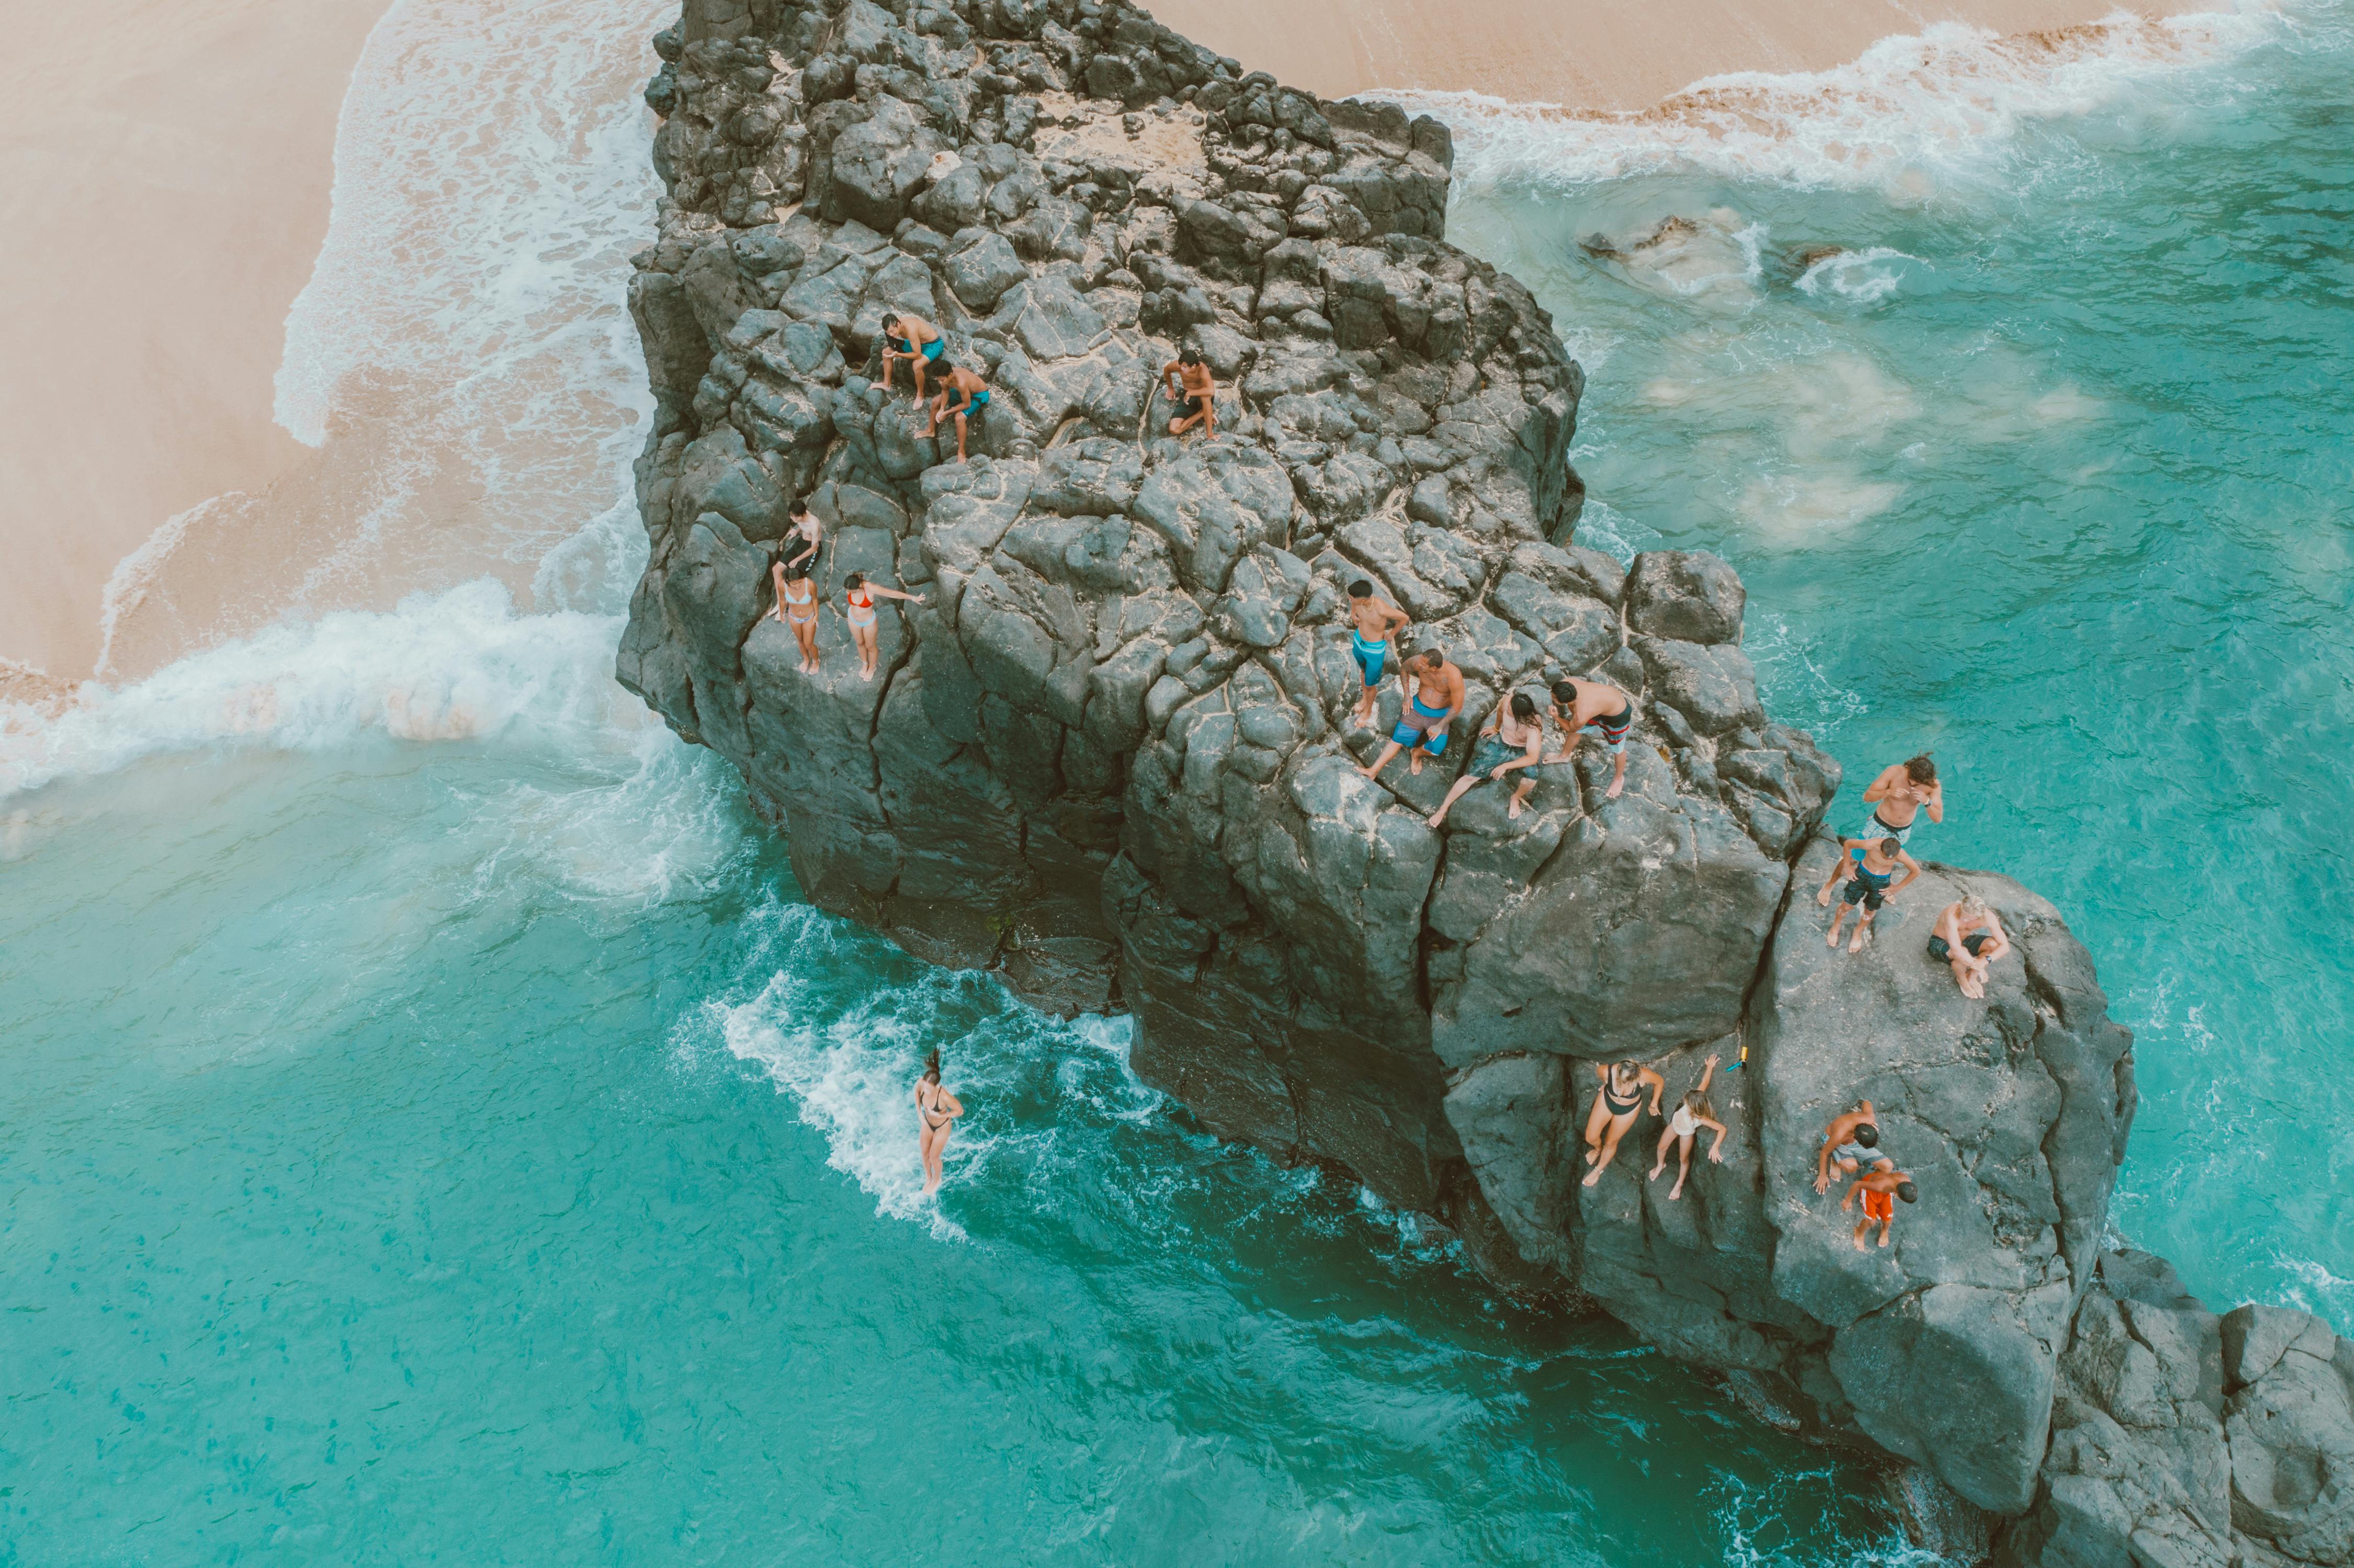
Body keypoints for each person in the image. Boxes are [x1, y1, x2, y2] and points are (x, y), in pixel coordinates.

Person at [1817, 753, 1944, 906]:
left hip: (1902, 831)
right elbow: (1868, 796)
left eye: (1917, 784)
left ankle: (1882, 890)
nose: (1912, 785)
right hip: (1879, 825)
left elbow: (1938, 818)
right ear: (1909, 769)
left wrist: (1927, 802)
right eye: (1911, 780)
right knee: (1852, 857)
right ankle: (1829, 885)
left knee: (1887, 861)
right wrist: (1888, 793)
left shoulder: (1932, 785)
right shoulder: (1894, 772)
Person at [1427, 691, 1545, 828]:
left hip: (1521, 750)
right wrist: (1496, 728)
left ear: (1520, 716)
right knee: (1470, 777)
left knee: (1531, 778)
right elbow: (1500, 713)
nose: (1507, 707)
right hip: (1502, 742)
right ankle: (1443, 809)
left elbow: (1532, 758)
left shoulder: (1533, 727)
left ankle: (1515, 798)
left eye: (1511, 710)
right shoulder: (1509, 701)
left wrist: (1505, 766)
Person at [1358, 647, 1464, 780]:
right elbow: (1404, 669)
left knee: (1436, 749)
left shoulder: (1453, 676)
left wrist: (1440, 726)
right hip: (1418, 707)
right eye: (1421, 661)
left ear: (1434, 668)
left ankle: (1416, 753)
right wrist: (1407, 696)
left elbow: (1458, 707)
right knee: (1398, 738)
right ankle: (1373, 771)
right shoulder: (1419, 662)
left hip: (1439, 714)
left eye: (1424, 664)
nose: (1419, 665)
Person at [1648, 1053, 1728, 1201]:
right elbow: (1705, 1082)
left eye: (1687, 1101)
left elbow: (1722, 1129)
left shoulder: (1702, 1119)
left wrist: (1715, 1147)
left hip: (1686, 1134)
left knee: (1683, 1160)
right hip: (1674, 1124)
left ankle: (1679, 1184)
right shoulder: (1697, 1097)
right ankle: (1661, 1165)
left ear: (1693, 1107)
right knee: (1661, 1147)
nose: (1685, 1100)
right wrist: (1710, 1067)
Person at [1825, 835, 1923, 954]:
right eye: (1884, 856)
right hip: (1862, 875)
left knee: (1870, 911)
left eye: (1890, 859)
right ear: (1880, 848)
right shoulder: (1871, 844)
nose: (1887, 859)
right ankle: (1836, 927)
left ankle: (1858, 932)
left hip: (1881, 881)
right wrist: (1847, 866)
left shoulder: (1901, 855)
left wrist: (1898, 887)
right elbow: (1848, 844)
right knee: (1847, 906)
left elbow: (1916, 871)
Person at [1544, 676, 1636, 800]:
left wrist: (1557, 717)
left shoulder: (1581, 715)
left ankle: (1619, 778)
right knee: (1576, 732)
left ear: (1563, 702)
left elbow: (1571, 728)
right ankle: (1563, 756)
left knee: (1618, 748)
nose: (1551, 695)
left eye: (1554, 697)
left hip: (1617, 713)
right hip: (1598, 706)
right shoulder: (1567, 683)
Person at [1582, 1058, 1665, 1187]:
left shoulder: (1643, 1075)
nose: (1625, 1085)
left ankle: (1598, 1170)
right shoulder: (1606, 1071)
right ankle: (1598, 1149)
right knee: (1590, 1137)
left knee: (1611, 1142)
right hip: (1607, 1101)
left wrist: (1654, 1104)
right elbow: (1599, 1073)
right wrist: (1607, 1082)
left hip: (1629, 1109)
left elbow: (1659, 1081)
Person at [1343, 580, 1411, 731]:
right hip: (1359, 641)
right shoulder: (1359, 602)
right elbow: (1354, 604)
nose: (1350, 600)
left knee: (1370, 684)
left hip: (1374, 649)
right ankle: (1364, 699)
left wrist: (1391, 634)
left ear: (1362, 599)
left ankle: (1368, 711)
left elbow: (1404, 618)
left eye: (1351, 598)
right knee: (1363, 672)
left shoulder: (1381, 609)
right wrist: (1353, 614)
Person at [841, 570, 925, 682]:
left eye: (852, 592)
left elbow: (891, 593)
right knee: (860, 643)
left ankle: (872, 667)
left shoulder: (870, 588)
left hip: (868, 622)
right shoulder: (850, 586)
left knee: (871, 647)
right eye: (848, 592)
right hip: (853, 619)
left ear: (860, 586)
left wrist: (913, 598)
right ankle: (865, 664)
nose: (849, 593)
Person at [1929, 893, 2011, 999]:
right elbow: (1957, 949)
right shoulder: (1952, 912)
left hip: (1963, 941)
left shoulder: (1988, 917)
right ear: (1961, 907)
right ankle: (1962, 980)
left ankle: (1972, 977)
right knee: (1961, 953)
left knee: (1993, 945)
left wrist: (1985, 961)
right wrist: (1978, 967)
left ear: (1979, 916)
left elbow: (2005, 946)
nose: (1965, 921)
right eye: (1964, 916)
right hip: (1940, 942)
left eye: (1970, 919)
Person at [913, 1048, 963, 1195]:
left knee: (934, 1157)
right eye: (925, 1087)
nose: (926, 1090)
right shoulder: (921, 1083)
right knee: (924, 1154)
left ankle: (937, 1179)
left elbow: (959, 1111)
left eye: (929, 1089)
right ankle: (928, 1177)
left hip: (942, 1126)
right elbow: (917, 1092)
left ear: (936, 1086)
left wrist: (940, 1116)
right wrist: (919, 1113)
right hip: (927, 1124)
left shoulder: (944, 1096)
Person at [919, 363, 990, 462]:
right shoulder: (945, 376)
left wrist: (947, 413)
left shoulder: (961, 382)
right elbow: (945, 390)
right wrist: (942, 409)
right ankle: (930, 431)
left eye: (942, 380)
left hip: (979, 395)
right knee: (935, 402)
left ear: (951, 375)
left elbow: (967, 404)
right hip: (964, 392)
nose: (940, 383)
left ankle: (961, 452)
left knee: (959, 418)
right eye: (938, 380)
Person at [1842, 1165, 1918, 1251]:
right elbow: (1857, 1184)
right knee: (1871, 1222)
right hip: (1869, 1192)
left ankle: (1884, 1230)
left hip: (1886, 1194)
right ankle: (1859, 1232)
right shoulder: (1880, 1186)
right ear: (1897, 1195)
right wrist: (1848, 1200)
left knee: (1888, 1219)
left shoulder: (1905, 1179)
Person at [1814, 1100, 1883, 1194]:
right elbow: (1824, 1152)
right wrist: (1822, 1175)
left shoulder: (1869, 1120)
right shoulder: (1840, 1135)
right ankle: (1835, 1160)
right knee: (1851, 1168)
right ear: (1856, 1137)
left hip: (1852, 1140)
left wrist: (1870, 1125)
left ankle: (1849, 1154)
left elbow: (1867, 1102)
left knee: (1886, 1166)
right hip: (1835, 1142)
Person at [769, 561, 822, 674]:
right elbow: (783, 600)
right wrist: (782, 613)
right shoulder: (782, 586)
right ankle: (806, 659)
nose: (798, 586)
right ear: (788, 581)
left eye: (800, 582)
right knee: (800, 641)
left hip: (809, 617)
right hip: (794, 617)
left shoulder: (810, 584)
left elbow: (814, 599)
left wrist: (817, 615)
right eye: (794, 584)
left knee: (808, 643)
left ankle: (816, 660)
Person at [880, 312, 945, 404]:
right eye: (888, 332)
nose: (890, 334)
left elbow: (917, 355)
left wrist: (898, 354)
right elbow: (892, 339)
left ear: (898, 324)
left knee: (917, 365)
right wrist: (893, 345)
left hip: (933, 345)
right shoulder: (894, 326)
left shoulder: (911, 329)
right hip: (916, 342)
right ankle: (886, 384)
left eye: (892, 331)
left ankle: (920, 395)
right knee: (886, 353)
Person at [1159, 348, 1217, 438]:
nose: (1182, 369)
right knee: (1174, 429)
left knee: (1205, 397)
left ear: (1193, 366)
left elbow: (1211, 391)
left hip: (1202, 397)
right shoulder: (1179, 366)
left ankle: (1210, 435)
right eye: (1181, 366)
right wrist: (1171, 388)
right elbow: (1166, 370)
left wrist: (1190, 393)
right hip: (1188, 397)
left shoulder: (1202, 369)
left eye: (1185, 367)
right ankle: (1203, 413)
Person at [778, 507, 824, 578]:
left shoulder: (814, 526)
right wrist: (796, 531)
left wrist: (796, 560)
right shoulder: (801, 515)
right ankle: (780, 590)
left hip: (811, 548)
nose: (793, 519)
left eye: (796, 517)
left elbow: (814, 549)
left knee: (794, 577)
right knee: (776, 570)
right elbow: (803, 523)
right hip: (801, 542)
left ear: (804, 514)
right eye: (791, 516)